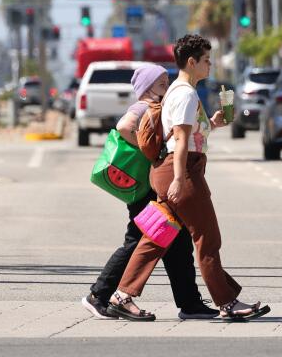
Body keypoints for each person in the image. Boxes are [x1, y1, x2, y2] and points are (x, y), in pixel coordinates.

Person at [108, 34, 270, 322]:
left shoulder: (177, 91)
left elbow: (187, 134)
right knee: (207, 237)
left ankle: (122, 296)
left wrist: (213, 124)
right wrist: (181, 179)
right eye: (206, 60)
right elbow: (180, 139)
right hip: (181, 169)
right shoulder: (185, 94)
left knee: (157, 237)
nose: (210, 65)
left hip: (171, 168)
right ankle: (227, 302)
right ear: (191, 62)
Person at [82, 63, 218, 321]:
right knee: (138, 240)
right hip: (145, 189)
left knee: (177, 242)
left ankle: (189, 303)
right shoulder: (144, 105)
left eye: (167, 82)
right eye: (161, 84)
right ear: (146, 88)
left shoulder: (158, 105)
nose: (166, 87)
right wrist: (151, 151)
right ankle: (99, 295)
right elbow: (124, 126)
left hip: (150, 186)